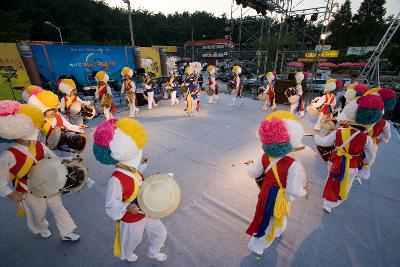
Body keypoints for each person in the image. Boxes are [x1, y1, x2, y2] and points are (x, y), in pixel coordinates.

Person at [0, 100, 80, 241]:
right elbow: (1, 178)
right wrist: (9, 193)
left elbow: (55, 159)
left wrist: (71, 160)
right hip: (28, 188)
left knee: (58, 207)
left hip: (49, 183)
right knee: (38, 214)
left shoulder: (40, 146)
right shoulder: (8, 154)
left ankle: (67, 232)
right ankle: (41, 227)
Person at [93, 118, 167, 263]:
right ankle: (126, 254)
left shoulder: (131, 169)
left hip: (147, 209)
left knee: (160, 232)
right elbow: (111, 205)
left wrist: (143, 168)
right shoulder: (115, 180)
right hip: (131, 218)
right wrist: (126, 207)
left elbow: (135, 178)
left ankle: (153, 251)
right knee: (132, 241)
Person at [246, 111, 309, 255]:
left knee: (265, 215)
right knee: (272, 219)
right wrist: (303, 192)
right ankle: (256, 244)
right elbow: (294, 190)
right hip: (279, 197)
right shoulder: (293, 164)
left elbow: (253, 173)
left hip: (265, 193)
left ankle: (279, 229)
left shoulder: (265, 156)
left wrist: (249, 168)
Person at [314, 94, 382, 213]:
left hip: (334, 160)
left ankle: (327, 198)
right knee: (345, 183)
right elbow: (370, 156)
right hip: (351, 165)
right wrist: (365, 164)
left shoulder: (340, 131)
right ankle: (331, 203)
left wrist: (315, 137)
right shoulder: (367, 139)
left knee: (331, 177)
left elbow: (323, 142)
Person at [356, 88, 396, 183]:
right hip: (372, 142)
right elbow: (386, 138)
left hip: (358, 139)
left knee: (354, 156)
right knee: (368, 159)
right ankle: (359, 175)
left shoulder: (361, 114)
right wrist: (377, 140)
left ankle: (353, 172)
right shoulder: (385, 123)